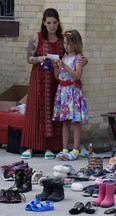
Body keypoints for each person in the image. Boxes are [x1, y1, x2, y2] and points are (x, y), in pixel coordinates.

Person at [21, 8, 87, 159]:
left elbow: (75, 55)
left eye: (55, 22)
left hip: (57, 82)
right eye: (49, 23)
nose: (52, 26)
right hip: (39, 79)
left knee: (53, 114)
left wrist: (85, 60)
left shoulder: (62, 39)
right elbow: (29, 58)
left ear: (58, 23)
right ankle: (30, 147)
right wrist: (39, 59)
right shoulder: (37, 38)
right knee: (35, 111)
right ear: (44, 23)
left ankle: (50, 147)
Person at [53, 30, 88, 161]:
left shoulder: (79, 58)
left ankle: (76, 149)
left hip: (73, 91)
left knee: (76, 121)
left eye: (68, 44)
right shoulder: (63, 57)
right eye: (65, 43)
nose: (66, 46)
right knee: (65, 122)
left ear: (76, 43)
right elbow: (57, 77)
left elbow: (77, 76)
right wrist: (56, 67)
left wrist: (65, 67)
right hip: (62, 91)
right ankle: (64, 149)